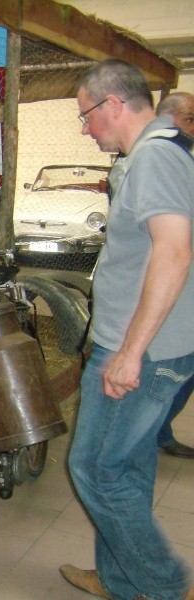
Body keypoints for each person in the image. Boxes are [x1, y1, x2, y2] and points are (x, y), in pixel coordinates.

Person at [60, 60, 194, 600]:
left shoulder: (156, 158)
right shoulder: (161, 153)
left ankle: (165, 586)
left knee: (95, 468)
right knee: (129, 467)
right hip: (144, 342)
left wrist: (130, 353)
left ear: (113, 104)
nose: (86, 128)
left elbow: (175, 250)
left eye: (86, 115)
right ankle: (119, 578)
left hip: (144, 350)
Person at [155, 91, 194, 459]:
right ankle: (154, 429)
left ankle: (158, 428)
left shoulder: (182, 162)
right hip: (169, 291)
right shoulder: (153, 161)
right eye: (191, 120)